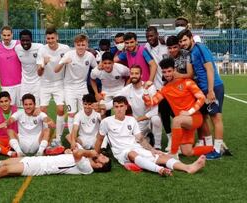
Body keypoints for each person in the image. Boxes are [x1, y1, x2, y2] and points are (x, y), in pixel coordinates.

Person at [95, 96, 206, 176]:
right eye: (116, 107)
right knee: (132, 154)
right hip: (121, 151)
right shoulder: (107, 122)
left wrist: (153, 150)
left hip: (135, 147)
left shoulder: (131, 120)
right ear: (113, 108)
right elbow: (99, 139)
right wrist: (95, 155)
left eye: (121, 106)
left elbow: (140, 138)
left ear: (125, 107)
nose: (119, 109)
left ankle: (188, 168)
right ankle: (159, 170)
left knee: (162, 157)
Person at [143, 57, 214, 158]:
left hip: (195, 118)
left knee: (176, 120)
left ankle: (173, 153)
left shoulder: (187, 82)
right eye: (164, 72)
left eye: (169, 71)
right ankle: (213, 148)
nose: (167, 74)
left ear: (174, 69)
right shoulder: (165, 89)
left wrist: (189, 112)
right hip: (183, 123)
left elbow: (202, 98)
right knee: (187, 152)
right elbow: (150, 103)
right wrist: (145, 90)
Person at [178, 29, 227, 159]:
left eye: (184, 40)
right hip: (203, 90)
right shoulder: (192, 52)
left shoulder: (200, 48)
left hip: (213, 87)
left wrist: (210, 91)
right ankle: (210, 146)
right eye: (181, 42)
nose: (183, 43)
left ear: (191, 38)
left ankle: (217, 150)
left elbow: (209, 68)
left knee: (216, 118)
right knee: (203, 117)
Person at [100, 65, 162, 149]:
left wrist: (138, 119)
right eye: (132, 73)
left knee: (156, 119)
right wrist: (102, 106)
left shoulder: (150, 87)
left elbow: (155, 111)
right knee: (134, 144)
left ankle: (157, 146)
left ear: (141, 75)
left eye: (136, 73)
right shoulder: (127, 89)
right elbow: (114, 101)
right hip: (139, 123)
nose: (134, 75)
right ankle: (148, 137)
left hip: (149, 120)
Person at [0, 149, 111, 182]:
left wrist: (91, 153)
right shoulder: (86, 161)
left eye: (103, 159)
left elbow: (78, 154)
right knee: (5, 162)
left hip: (39, 168)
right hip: (40, 160)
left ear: (99, 166)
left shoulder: (88, 168)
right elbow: (74, 152)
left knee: (5, 170)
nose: (102, 156)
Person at [55, 34, 98, 135]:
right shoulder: (69, 54)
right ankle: (72, 138)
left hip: (82, 87)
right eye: (78, 45)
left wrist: (101, 67)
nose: (81, 47)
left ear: (87, 45)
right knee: (71, 113)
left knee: (86, 112)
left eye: (83, 44)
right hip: (69, 88)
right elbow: (56, 70)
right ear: (75, 45)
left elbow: (96, 71)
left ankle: (85, 136)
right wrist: (63, 62)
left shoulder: (90, 56)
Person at [36, 27, 70, 146]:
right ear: (46, 38)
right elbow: (39, 73)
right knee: (43, 111)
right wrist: (43, 64)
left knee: (60, 109)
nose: (50, 40)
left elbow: (70, 63)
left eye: (53, 38)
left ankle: (58, 137)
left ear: (57, 37)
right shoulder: (42, 50)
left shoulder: (65, 48)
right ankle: (46, 136)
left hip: (59, 82)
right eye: (48, 38)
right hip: (45, 83)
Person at [15, 29, 43, 106]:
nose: (25, 43)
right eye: (23, 40)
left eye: (27, 40)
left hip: (37, 83)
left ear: (31, 40)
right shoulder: (17, 48)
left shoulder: (39, 47)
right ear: (20, 40)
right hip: (24, 83)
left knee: (37, 107)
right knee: (24, 107)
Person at [0, 26, 22, 106]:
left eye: (8, 35)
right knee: (9, 110)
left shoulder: (19, 44)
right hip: (6, 85)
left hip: (21, 84)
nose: (6, 37)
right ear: (1, 35)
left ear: (12, 35)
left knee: (22, 109)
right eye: (4, 35)